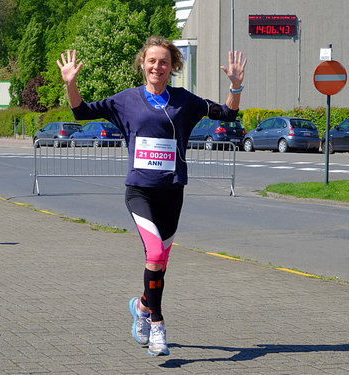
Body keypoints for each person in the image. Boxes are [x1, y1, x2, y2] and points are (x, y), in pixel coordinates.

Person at [57, 36, 246, 356]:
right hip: (139, 191)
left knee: (159, 263)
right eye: (151, 61)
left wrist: (236, 87)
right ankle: (157, 325)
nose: (157, 66)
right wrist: (70, 84)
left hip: (172, 191)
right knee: (155, 255)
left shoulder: (185, 101)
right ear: (142, 65)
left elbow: (226, 114)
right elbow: (81, 112)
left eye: (164, 62)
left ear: (173, 67)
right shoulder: (126, 100)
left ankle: (142, 306)